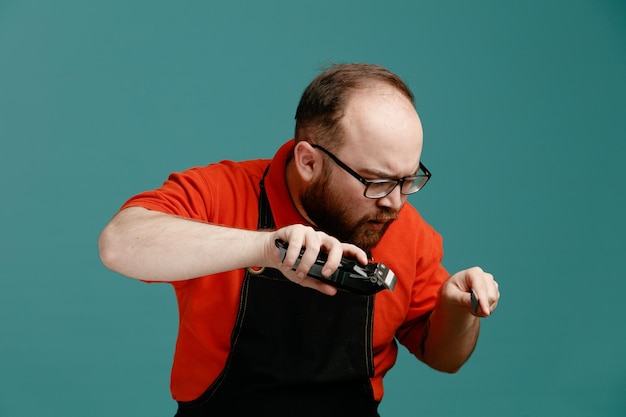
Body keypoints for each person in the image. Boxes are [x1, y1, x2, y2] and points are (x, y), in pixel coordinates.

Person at [98, 63, 500, 416]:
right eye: (376, 181)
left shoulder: (406, 228)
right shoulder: (222, 192)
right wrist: (265, 248)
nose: (395, 203)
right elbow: (119, 243)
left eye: (407, 179)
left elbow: (446, 359)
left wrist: (459, 310)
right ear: (308, 160)